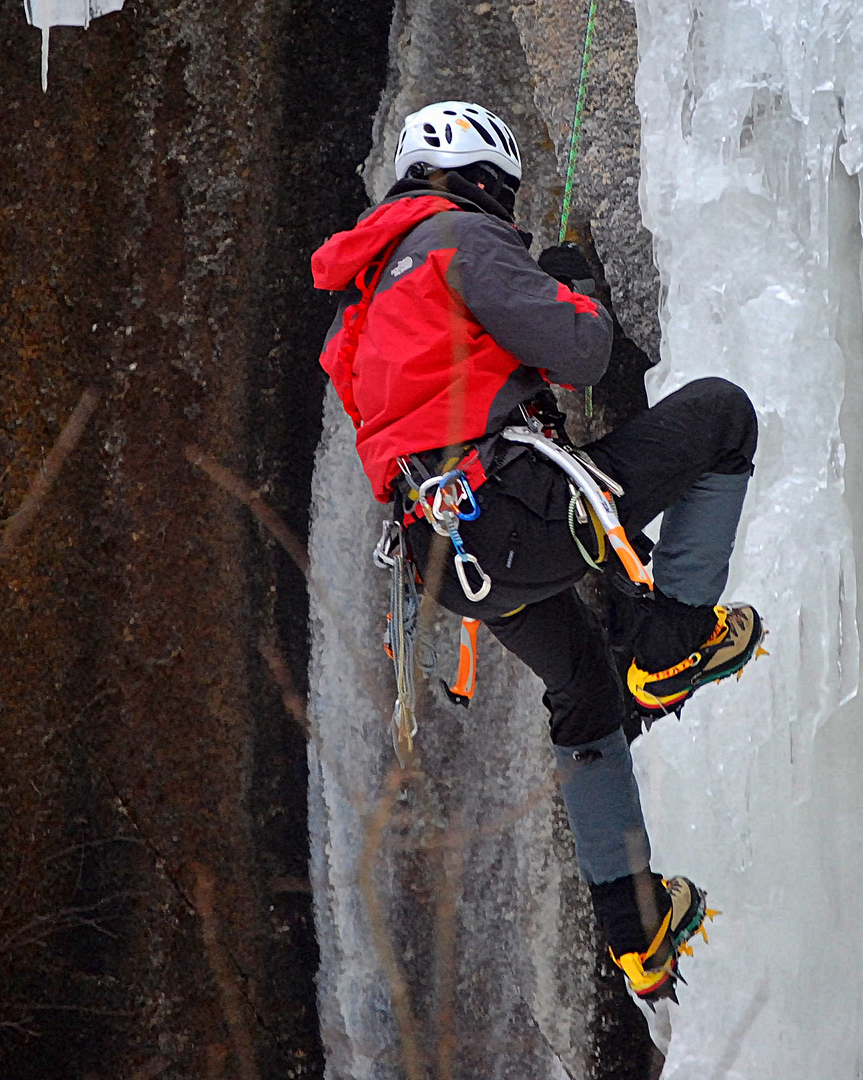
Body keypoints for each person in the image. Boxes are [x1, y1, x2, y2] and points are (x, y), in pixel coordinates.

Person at [310, 100, 764, 1002]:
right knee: (722, 415)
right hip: (515, 511)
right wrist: (574, 284)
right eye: (506, 196)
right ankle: (673, 642)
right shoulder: (461, 242)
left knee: (584, 688)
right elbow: (585, 351)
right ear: (484, 181)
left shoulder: (357, 304)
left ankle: (634, 926)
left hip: (448, 559)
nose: (509, 214)